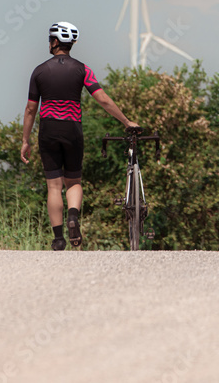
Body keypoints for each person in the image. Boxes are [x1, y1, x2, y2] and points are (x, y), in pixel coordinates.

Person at [21, 22, 140, 251]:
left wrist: (25, 141)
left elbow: (30, 109)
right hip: (72, 130)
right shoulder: (83, 69)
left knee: (54, 187)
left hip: (48, 130)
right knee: (73, 181)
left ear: (55, 42)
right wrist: (126, 121)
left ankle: (58, 239)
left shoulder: (39, 71)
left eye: (50, 39)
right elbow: (102, 98)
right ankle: (73, 216)